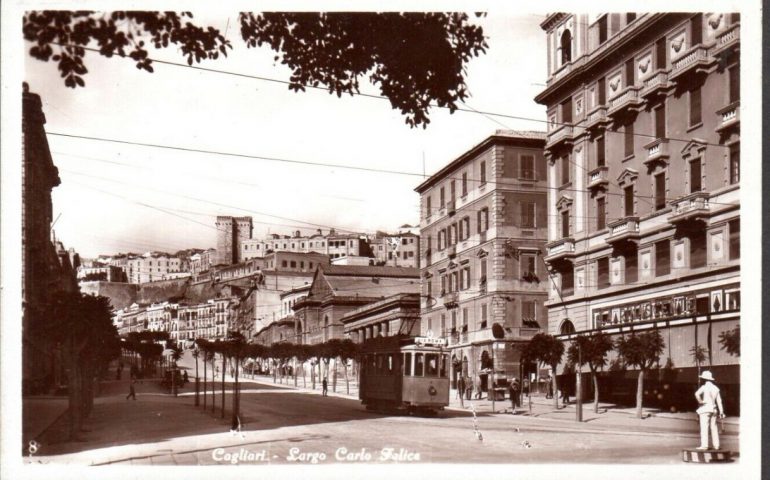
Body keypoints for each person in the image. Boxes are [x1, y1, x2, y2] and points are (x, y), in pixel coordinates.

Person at [694, 370, 725, 450]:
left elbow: (696, 394)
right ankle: (716, 445)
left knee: (704, 428)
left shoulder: (704, 387)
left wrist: (701, 401)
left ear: (704, 379)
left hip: (705, 409)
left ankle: (704, 445)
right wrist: (721, 412)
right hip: (714, 410)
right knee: (714, 428)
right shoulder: (716, 388)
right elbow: (719, 401)